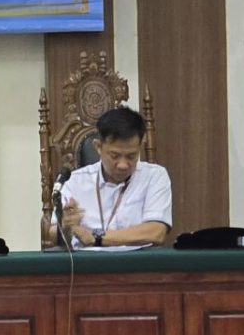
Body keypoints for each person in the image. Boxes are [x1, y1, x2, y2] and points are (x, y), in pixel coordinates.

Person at [52, 106, 172, 248]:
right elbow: (52, 232)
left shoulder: (154, 176)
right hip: (86, 266)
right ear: (98, 147)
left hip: (138, 265)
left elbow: (156, 232)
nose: (123, 165)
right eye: (114, 156)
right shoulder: (75, 181)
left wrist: (95, 237)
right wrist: (66, 226)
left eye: (131, 156)